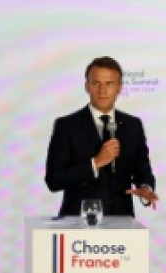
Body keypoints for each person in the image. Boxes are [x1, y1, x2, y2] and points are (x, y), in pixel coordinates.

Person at [45, 56, 158, 218]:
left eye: (109, 83)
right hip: (77, 225)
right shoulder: (66, 126)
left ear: (119, 87)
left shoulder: (133, 126)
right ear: (87, 86)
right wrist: (96, 162)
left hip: (122, 224)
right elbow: (54, 180)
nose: (102, 90)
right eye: (96, 83)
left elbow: (143, 171)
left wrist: (146, 189)